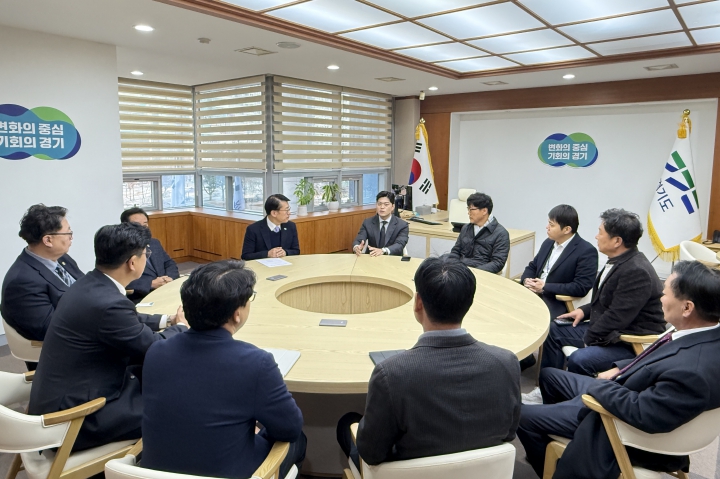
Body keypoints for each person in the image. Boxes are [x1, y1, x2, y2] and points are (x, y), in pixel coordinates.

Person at [517, 261, 720, 479]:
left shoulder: (693, 372)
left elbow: (642, 412)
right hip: (626, 387)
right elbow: (658, 361)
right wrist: (620, 368)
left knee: (520, 415)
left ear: (687, 308)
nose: (660, 298)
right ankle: (555, 444)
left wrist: (600, 387)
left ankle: (554, 468)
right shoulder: (702, 334)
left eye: (665, 293)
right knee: (549, 376)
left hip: (617, 423)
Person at [336, 256, 520, 467]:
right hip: (486, 471)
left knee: (346, 423)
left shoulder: (391, 374)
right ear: (468, 303)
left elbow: (371, 453)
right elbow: (509, 433)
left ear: (418, 303)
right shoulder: (507, 363)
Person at [28, 222, 188, 451]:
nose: (147, 257)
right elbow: (155, 348)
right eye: (146, 253)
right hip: (75, 417)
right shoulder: (110, 303)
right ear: (132, 262)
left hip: (67, 393)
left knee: (162, 379)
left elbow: (124, 320)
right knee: (181, 404)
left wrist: (167, 320)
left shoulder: (90, 284)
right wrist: (181, 326)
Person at [142, 260, 306, 479]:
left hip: (152, 472)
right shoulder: (256, 363)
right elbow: (289, 428)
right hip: (228, 472)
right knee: (298, 439)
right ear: (237, 314)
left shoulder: (156, 351)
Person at [538, 208, 666, 378]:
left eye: (600, 232)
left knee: (580, 359)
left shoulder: (636, 271)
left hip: (628, 340)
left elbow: (617, 317)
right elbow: (610, 300)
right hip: (611, 330)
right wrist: (584, 311)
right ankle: (550, 384)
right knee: (554, 329)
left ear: (617, 241)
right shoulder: (621, 260)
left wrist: (588, 339)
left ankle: (575, 392)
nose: (596, 237)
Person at [519, 205, 598, 370]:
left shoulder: (586, 251)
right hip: (533, 293)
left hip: (557, 300)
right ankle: (522, 357)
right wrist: (527, 280)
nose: (547, 227)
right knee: (508, 308)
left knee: (538, 319)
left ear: (567, 229)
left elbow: (581, 286)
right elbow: (532, 266)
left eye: (551, 224)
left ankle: (548, 376)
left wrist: (545, 287)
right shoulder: (548, 243)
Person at [1, 204, 84, 345]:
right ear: (48, 240)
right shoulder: (21, 281)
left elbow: (86, 286)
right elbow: (50, 329)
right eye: (68, 233)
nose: (71, 237)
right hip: (65, 346)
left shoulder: (62, 258)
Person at [120, 207, 179, 301]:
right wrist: (150, 284)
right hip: (141, 297)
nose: (142, 229)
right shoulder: (120, 249)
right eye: (137, 225)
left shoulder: (154, 243)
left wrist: (169, 278)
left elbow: (169, 263)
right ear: (125, 227)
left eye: (145, 224)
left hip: (166, 290)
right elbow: (119, 278)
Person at [447, 192, 509, 273]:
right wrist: (452, 266)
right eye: (468, 209)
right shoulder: (466, 228)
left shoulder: (501, 234)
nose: (468, 213)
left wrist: (473, 272)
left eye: (471, 209)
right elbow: (455, 251)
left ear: (484, 211)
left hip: (480, 272)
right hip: (461, 269)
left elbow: (497, 263)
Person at [242, 194, 300, 260]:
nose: (289, 213)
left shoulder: (291, 226)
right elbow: (246, 256)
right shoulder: (253, 229)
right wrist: (267, 254)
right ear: (274, 213)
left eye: (289, 209)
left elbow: (296, 251)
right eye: (286, 210)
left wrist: (285, 252)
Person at [353, 191, 409, 256]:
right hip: (372, 258)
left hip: (392, 259)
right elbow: (359, 239)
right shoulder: (368, 222)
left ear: (392, 207)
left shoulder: (402, 225)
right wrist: (356, 247)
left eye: (386, 204)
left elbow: (400, 244)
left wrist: (383, 250)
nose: (382, 207)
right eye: (379, 204)